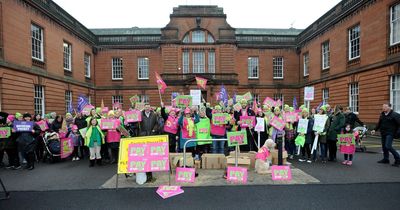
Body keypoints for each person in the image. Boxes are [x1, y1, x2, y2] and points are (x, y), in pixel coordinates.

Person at [140, 103, 159, 182]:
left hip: (152, 137)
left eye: (148, 107)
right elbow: (137, 124)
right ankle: (145, 173)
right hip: (143, 137)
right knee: (144, 155)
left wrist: (154, 130)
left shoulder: (154, 115)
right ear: (144, 108)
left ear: (150, 108)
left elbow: (157, 124)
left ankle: (150, 174)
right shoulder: (140, 115)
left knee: (150, 156)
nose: (147, 108)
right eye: (146, 107)